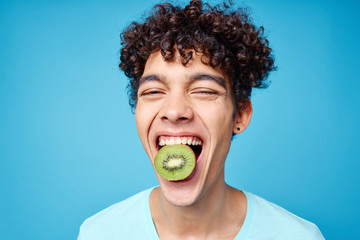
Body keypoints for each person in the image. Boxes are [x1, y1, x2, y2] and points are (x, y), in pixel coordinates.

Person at [78, 0, 325, 239]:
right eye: (153, 92)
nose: (174, 111)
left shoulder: (297, 236)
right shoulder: (99, 233)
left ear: (240, 114)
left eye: (204, 90)